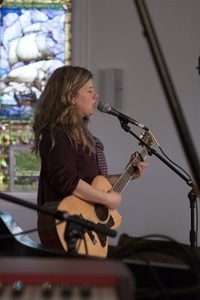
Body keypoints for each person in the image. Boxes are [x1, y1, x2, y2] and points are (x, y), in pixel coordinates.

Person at [32, 65, 148, 257]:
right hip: (69, 226)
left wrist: (127, 174)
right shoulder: (59, 134)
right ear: (70, 97)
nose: (96, 95)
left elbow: (92, 181)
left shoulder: (79, 135)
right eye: (89, 90)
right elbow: (66, 181)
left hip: (85, 228)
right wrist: (107, 199)